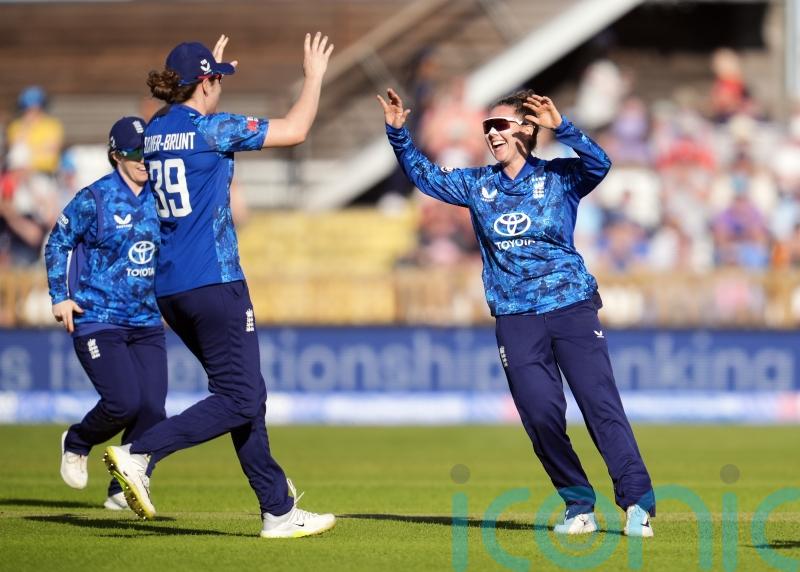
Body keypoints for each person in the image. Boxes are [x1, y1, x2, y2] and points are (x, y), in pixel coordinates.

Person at [378, 87, 656, 537]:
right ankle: (578, 504)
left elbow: (600, 164)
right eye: (487, 126)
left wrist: (561, 126)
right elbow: (425, 176)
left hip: (570, 306)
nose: (491, 133)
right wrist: (398, 133)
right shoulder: (478, 184)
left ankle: (637, 503)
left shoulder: (560, 177)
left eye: (500, 125)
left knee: (599, 405)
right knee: (540, 413)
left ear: (527, 130)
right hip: (515, 316)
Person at [102, 33, 335, 539]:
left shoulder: (156, 128)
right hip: (215, 280)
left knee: (244, 393)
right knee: (241, 397)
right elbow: (295, 130)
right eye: (217, 79)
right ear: (205, 83)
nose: (221, 86)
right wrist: (314, 77)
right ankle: (140, 454)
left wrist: (210, 67)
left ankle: (276, 508)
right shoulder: (214, 128)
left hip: (171, 288)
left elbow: (185, 115)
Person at [44, 116, 167, 511]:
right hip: (98, 316)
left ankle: (122, 486)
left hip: (147, 320)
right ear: (116, 155)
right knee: (123, 403)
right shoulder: (93, 198)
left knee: (152, 409)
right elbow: (57, 243)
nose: (143, 160)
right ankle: (77, 442)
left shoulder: (161, 197)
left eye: (148, 152)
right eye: (134, 153)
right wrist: (59, 295)